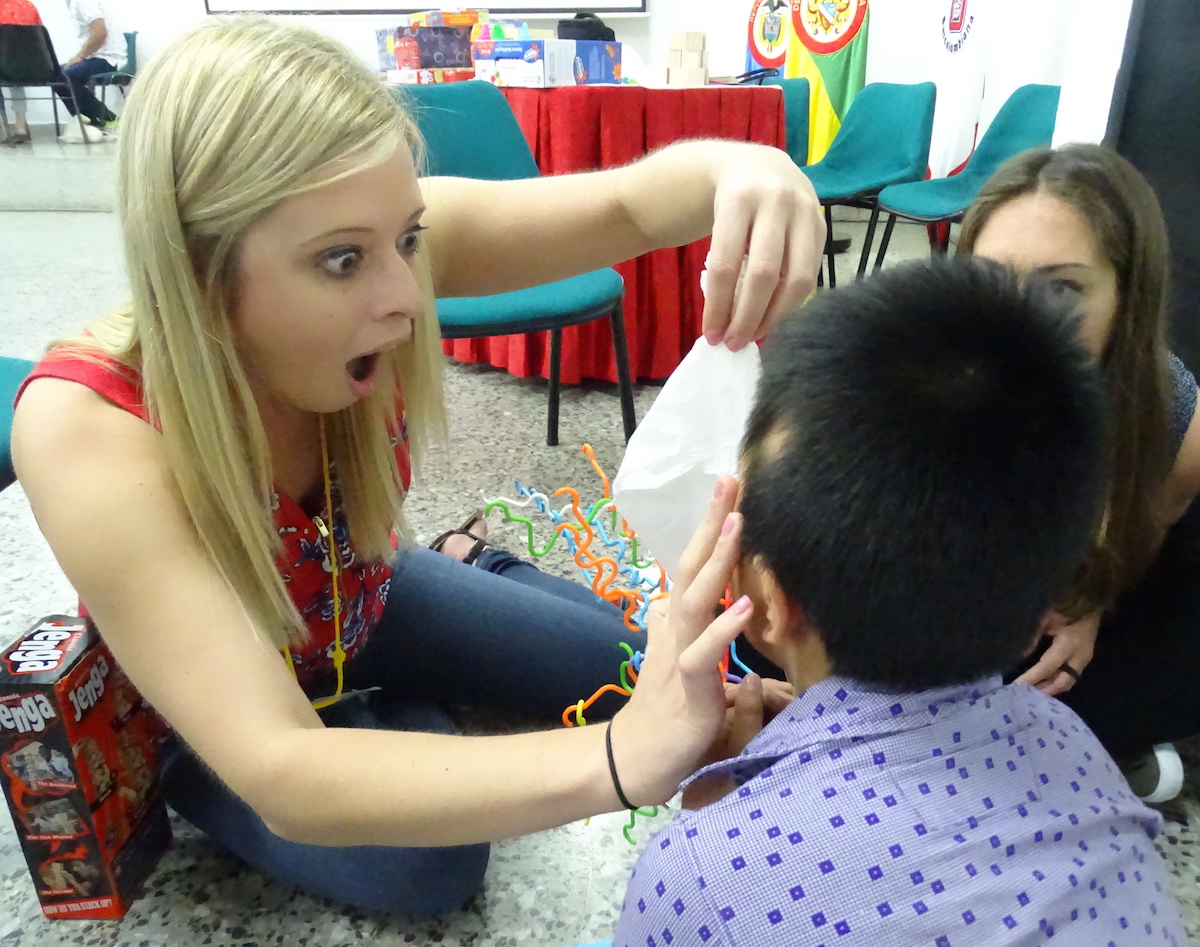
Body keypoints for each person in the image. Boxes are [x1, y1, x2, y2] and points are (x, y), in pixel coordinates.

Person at [10, 16, 826, 916]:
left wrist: (749, 171)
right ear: (202, 269)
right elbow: (282, 769)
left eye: (408, 240)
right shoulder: (87, 424)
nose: (406, 297)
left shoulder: (378, 255)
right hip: (221, 698)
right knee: (429, 865)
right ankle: (387, 714)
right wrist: (623, 759)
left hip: (368, 590)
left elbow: (629, 207)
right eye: (342, 261)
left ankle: (471, 583)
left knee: (646, 678)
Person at [611, 257, 1186, 947]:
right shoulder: (1075, 744)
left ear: (766, 597)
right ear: (1051, 600)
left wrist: (714, 818)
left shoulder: (696, 879)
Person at [958, 143, 1200, 801]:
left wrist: (1091, 603)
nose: (1016, 318)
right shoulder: (922, 378)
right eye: (990, 278)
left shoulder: (1173, 415)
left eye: (1061, 287)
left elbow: (1139, 531)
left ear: (1128, 297)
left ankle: (1105, 742)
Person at [52, 0, 124, 134]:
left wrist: (80, 56)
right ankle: (90, 121)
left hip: (108, 60)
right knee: (54, 75)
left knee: (64, 76)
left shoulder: (83, 2)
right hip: (95, 58)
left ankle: (105, 119)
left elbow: (100, 33)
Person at [0, 0, 42, 145]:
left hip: (5, 65)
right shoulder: (29, 6)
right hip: (32, 66)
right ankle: (21, 127)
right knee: (16, 81)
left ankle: (3, 129)